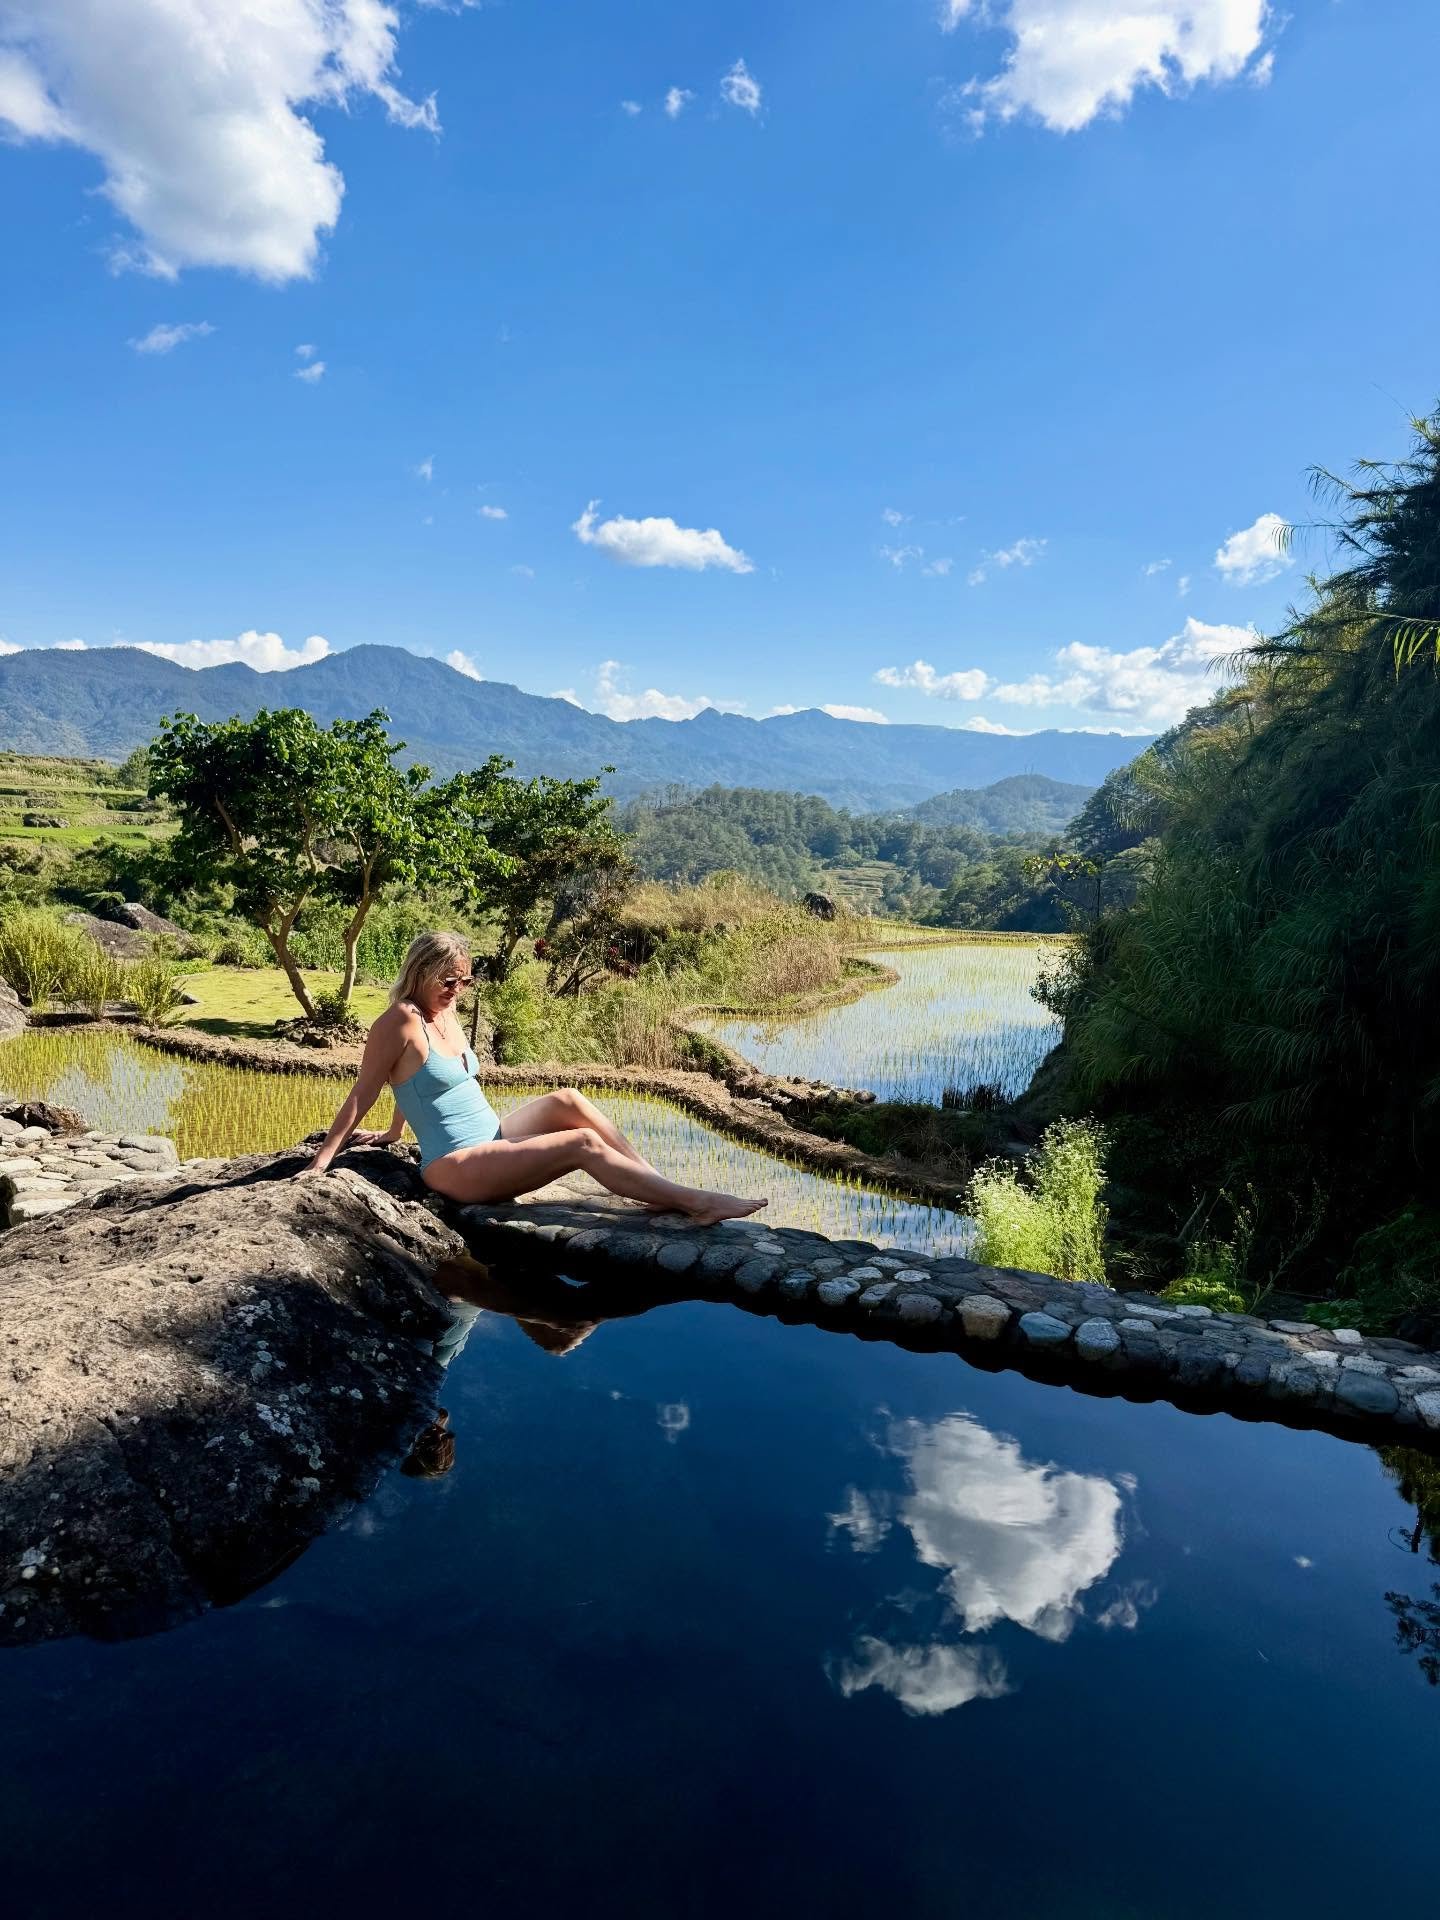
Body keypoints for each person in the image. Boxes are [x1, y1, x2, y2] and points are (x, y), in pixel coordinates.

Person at [304, 930, 766, 1226]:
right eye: (448, 981)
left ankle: (652, 1185)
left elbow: (413, 1083)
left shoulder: (447, 1012)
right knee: (581, 1143)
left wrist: (392, 1133)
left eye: (464, 982)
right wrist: (323, 1160)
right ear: (420, 972)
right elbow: (366, 1089)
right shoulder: (399, 1021)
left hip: (493, 1138)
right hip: (457, 1166)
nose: (456, 990)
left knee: (569, 1100)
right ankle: (697, 1203)